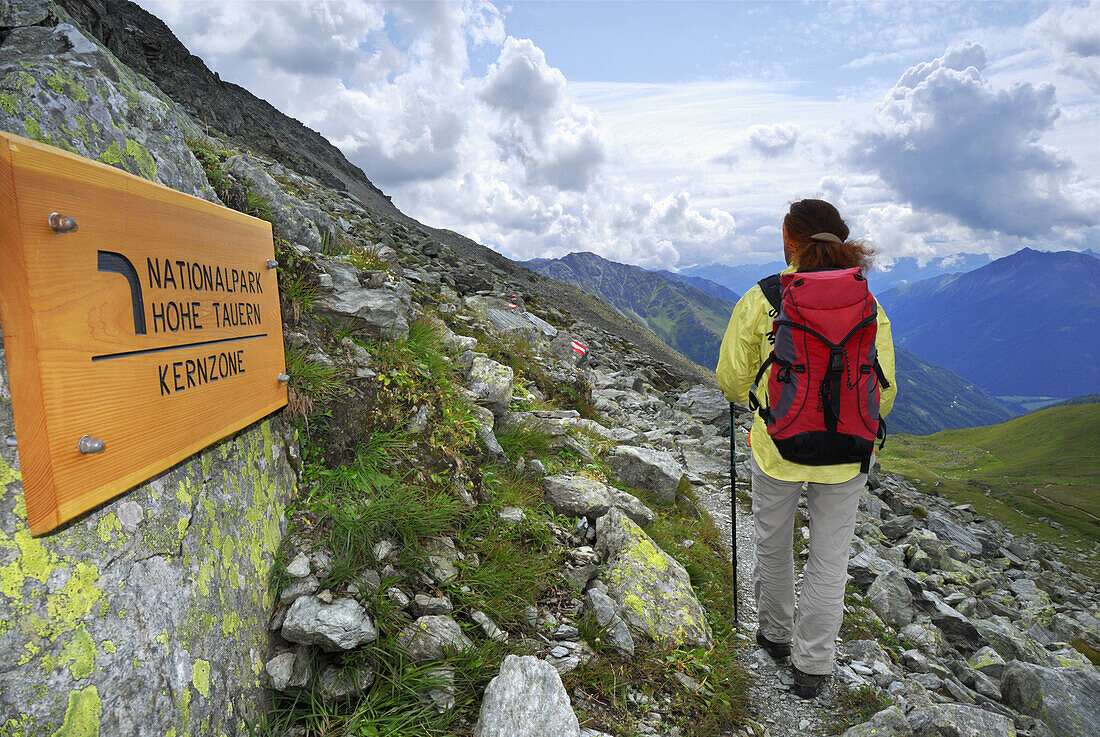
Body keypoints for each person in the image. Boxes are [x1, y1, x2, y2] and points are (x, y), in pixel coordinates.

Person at [716, 198, 897, 698]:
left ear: (790, 241)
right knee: (829, 559)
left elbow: (732, 381)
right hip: (847, 455)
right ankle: (813, 666)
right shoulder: (867, 303)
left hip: (778, 446)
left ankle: (774, 637)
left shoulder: (765, 297)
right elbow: (884, 391)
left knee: (774, 546)